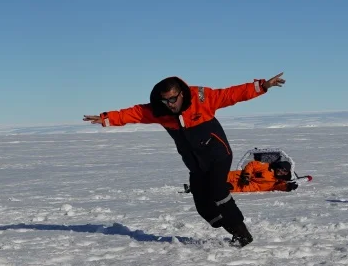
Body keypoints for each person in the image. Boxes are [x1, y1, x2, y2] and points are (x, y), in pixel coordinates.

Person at [84, 73, 286, 247]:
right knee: (202, 203)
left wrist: (263, 86)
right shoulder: (159, 110)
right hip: (196, 163)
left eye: (173, 99)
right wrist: (106, 118)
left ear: (181, 93)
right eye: (165, 101)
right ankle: (225, 225)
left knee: (219, 192)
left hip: (218, 155)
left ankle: (242, 234)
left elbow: (232, 94)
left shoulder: (202, 98)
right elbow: (133, 113)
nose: (170, 105)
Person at [228, 160, 298, 193]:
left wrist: (288, 187)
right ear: (277, 167)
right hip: (238, 176)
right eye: (280, 169)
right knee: (218, 177)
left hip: (243, 187)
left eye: (284, 172)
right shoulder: (267, 167)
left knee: (221, 188)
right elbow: (252, 164)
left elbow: (278, 187)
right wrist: (247, 175)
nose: (281, 172)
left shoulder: (277, 181)